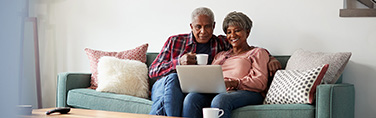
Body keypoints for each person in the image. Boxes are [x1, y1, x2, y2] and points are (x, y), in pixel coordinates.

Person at [148, 7, 281, 117]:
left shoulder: (250, 50)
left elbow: (259, 76)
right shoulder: (219, 53)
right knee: (182, 87)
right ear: (191, 26)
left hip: (242, 91)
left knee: (211, 99)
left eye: (237, 31)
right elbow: (153, 71)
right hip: (167, 85)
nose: (203, 31)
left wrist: (271, 58)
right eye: (229, 32)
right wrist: (178, 63)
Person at [182, 11, 270, 118]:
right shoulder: (220, 55)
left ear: (247, 32)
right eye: (229, 32)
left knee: (220, 100)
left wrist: (233, 83)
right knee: (192, 98)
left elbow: (260, 83)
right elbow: (210, 77)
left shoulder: (257, 52)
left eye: (237, 31)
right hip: (220, 92)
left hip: (247, 92)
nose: (232, 35)